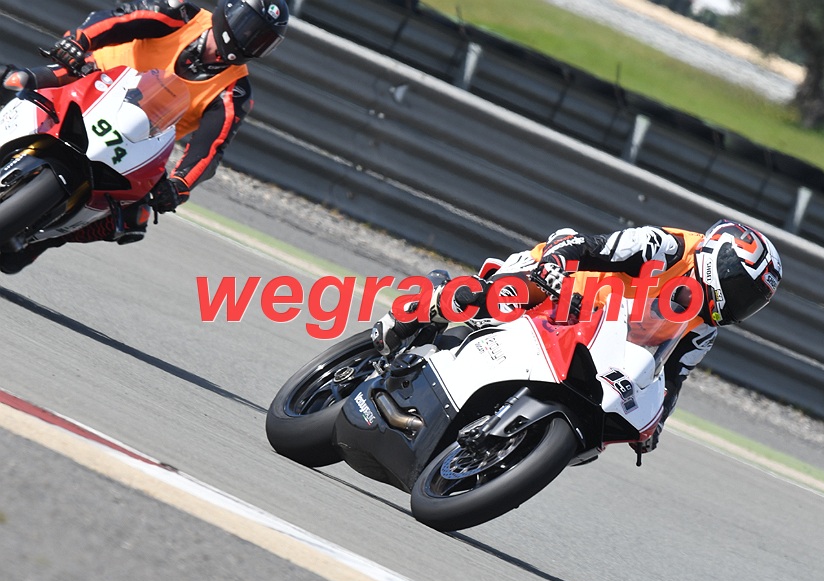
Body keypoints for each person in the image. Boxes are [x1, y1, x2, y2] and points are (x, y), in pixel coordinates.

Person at [372, 219, 783, 458]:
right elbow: (581, 244)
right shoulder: (664, 247)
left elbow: (672, 379)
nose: (740, 305)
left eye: (751, 303)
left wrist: (656, 423)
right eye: (741, 290)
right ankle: (414, 312)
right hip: (560, 290)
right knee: (504, 295)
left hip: (596, 344)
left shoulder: (704, 327)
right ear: (719, 260)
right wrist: (555, 265)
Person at [0, 0, 289, 274]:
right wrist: (78, 41)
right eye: (249, 30)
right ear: (230, 13)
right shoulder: (180, 15)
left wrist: (180, 185)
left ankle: (44, 237)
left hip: (132, 143)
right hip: (87, 79)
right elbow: (119, 20)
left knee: (134, 219)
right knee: (14, 81)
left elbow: (210, 149)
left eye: (262, 41)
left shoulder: (235, 90)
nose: (250, 41)